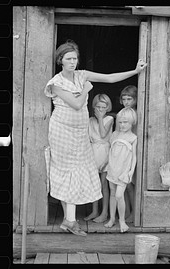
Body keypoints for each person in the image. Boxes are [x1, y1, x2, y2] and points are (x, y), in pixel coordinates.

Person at [44, 39, 147, 236]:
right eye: (68, 59)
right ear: (60, 60)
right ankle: (70, 220)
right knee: (66, 170)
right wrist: (86, 90)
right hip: (62, 131)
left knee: (77, 170)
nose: (73, 62)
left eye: (75, 58)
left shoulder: (82, 75)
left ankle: (70, 220)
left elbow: (109, 78)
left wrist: (135, 72)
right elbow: (75, 104)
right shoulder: (56, 83)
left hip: (79, 132)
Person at [104, 107, 137, 233]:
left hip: (123, 171)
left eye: (125, 122)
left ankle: (122, 220)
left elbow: (134, 157)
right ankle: (112, 218)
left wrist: (130, 171)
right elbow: (111, 151)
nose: (122, 125)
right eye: (120, 122)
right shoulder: (114, 134)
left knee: (119, 195)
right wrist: (107, 165)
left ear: (132, 122)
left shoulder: (133, 138)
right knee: (112, 193)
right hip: (113, 168)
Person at [84, 94, 114, 223]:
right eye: (98, 107)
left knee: (103, 185)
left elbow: (102, 134)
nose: (101, 110)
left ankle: (104, 213)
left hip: (105, 152)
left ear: (108, 108)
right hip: (92, 152)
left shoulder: (109, 119)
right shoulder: (90, 120)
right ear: (94, 107)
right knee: (93, 185)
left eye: (104, 107)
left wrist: (101, 118)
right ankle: (94, 211)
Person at [119, 85, 137, 223]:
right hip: (122, 152)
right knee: (124, 184)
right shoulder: (122, 113)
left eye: (129, 99)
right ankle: (127, 211)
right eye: (124, 99)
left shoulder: (136, 114)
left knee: (131, 184)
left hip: (133, 150)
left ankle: (134, 212)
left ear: (135, 99)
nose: (126, 102)